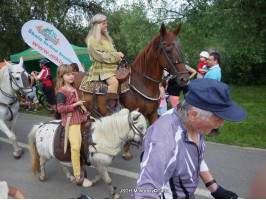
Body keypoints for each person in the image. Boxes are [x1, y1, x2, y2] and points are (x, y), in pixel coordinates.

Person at [133, 78, 247, 199]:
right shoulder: (163, 143)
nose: (222, 124)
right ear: (193, 115)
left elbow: (195, 157)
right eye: (218, 119)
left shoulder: (192, 122)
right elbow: (144, 194)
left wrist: (214, 187)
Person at [55, 64, 92, 187]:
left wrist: (80, 105)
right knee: (75, 146)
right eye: (68, 74)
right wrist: (75, 105)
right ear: (62, 76)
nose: (71, 76)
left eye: (72, 74)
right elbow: (60, 109)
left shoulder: (73, 87)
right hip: (71, 121)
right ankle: (77, 174)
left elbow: (75, 100)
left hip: (81, 116)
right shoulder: (61, 92)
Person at [85, 14, 124, 115]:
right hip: (102, 68)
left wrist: (121, 60)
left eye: (106, 23)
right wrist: (117, 55)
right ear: (98, 25)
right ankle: (110, 111)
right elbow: (100, 56)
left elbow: (112, 52)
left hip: (113, 66)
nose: (106, 25)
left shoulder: (107, 38)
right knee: (114, 82)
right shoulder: (92, 39)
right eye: (104, 23)